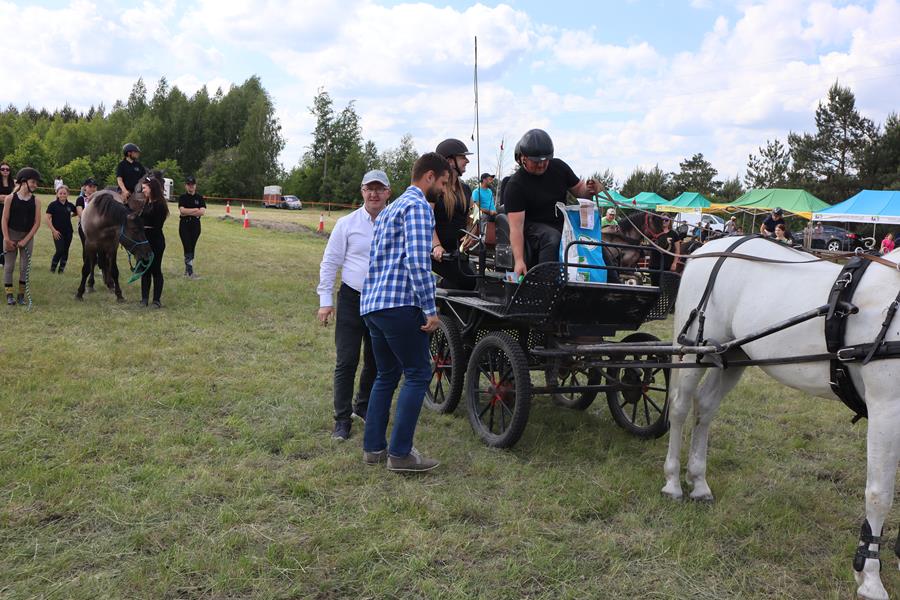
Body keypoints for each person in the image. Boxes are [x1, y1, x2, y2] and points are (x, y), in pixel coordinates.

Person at [359, 152, 449, 473]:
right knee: (418, 373)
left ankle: (373, 448)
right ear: (429, 176)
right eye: (443, 182)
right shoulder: (418, 207)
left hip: (373, 304)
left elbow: (377, 257)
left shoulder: (390, 209)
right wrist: (430, 308)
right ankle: (400, 454)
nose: (443, 189)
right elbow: (417, 261)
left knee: (386, 375)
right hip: (400, 304)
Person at [317, 170, 391, 441]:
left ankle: (363, 405)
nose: (374, 194)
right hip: (351, 299)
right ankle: (341, 418)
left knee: (375, 360)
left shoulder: (396, 222)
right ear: (362, 191)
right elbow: (330, 261)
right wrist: (325, 301)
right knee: (347, 360)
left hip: (381, 301)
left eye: (379, 189)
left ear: (388, 193)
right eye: (369, 189)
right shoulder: (346, 223)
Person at [503, 129, 599, 277]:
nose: (541, 165)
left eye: (545, 160)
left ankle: (612, 283)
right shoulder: (515, 185)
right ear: (523, 158)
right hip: (532, 227)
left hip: (563, 224)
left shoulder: (559, 168)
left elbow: (580, 190)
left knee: (592, 243)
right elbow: (516, 228)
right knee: (552, 238)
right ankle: (545, 283)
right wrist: (519, 260)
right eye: (536, 161)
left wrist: (590, 189)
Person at [430, 138, 476, 291]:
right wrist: (436, 246)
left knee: (475, 282)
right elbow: (426, 219)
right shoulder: (435, 188)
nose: (467, 161)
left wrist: (471, 233)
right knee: (469, 282)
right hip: (438, 256)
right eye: (463, 157)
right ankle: (436, 284)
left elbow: (473, 216)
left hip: (458, 254)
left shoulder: (466, 189)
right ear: (450, 161)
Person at [2, 168, 42, 306]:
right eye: (33, 182)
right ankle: (9, 295)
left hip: (27, 236)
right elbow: (4, 219)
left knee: (25, 267)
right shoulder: (10, 198)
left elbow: (37, 223)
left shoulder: (36, 201)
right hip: (11, 234)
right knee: (9, 266)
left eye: (36, 183)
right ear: (24, 182)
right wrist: (6, 238)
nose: (35, 185)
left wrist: (25, 240)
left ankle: (21, 295)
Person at [139, 173, 168, 308]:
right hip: (145, 241)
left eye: (145, 188)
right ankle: (144, 299)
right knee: (145, 270)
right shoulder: (146, 203)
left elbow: (156, 225)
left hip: (155, 241)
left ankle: (156, 300)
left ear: (152, 188)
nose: (143, 190)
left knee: (155, 269)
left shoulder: (160, 205)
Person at [177, 176, 206, 278]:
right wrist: (195, 210)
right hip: (184, 225)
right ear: (186, 186)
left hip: (195, 225)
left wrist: (188, 211)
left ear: (195, 186)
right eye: (189, 185)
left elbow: (202, 212)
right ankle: (190, 272)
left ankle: (188, 271)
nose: (191, 186)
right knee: (187, 246)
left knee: (192, 247)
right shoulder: (182, 197)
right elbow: (182, 211)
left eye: (192, 185)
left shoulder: (199, 198)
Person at [45, 185, 76, 273]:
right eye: (60, 193)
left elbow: (77, 212)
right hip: (57, 232)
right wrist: (53, 231)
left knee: (65, 250)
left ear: (68, 194)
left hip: (68, 232)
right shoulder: (53, 205)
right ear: (57, 194)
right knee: (60, 250)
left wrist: (71, 215)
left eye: (64, 193)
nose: (62, 195)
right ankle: (53, 269)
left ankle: (61, 270)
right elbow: (47, 218)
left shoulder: (70, 205)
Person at [75, 177, 99, 289]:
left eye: (94, 187)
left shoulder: (98, 199)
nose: (92, 189)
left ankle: (94, 270)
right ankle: (88, 272)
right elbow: (81, 214)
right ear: (85, 187)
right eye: (90, 186)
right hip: (85, 228)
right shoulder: (80, 199)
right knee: (87, 250)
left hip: (97, 228)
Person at [650, 216, 684, 285]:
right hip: (655, 263)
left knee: (666, 285)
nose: (664, 221)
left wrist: (674, 263)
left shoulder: (674, 234)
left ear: (670, 221)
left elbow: (677, 250)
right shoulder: (654, 233)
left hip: (668, 264)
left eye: (666, 220)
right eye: (662, 219)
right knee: (654, 285)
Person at [0, 162, 14, 266]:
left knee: (7, 234)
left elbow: (14, 196)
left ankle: (6, 259)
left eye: (7, 169)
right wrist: (7, 198)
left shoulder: (13, 183)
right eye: (3, 169)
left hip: (9, 210)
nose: (5, 171)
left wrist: (4, 198)